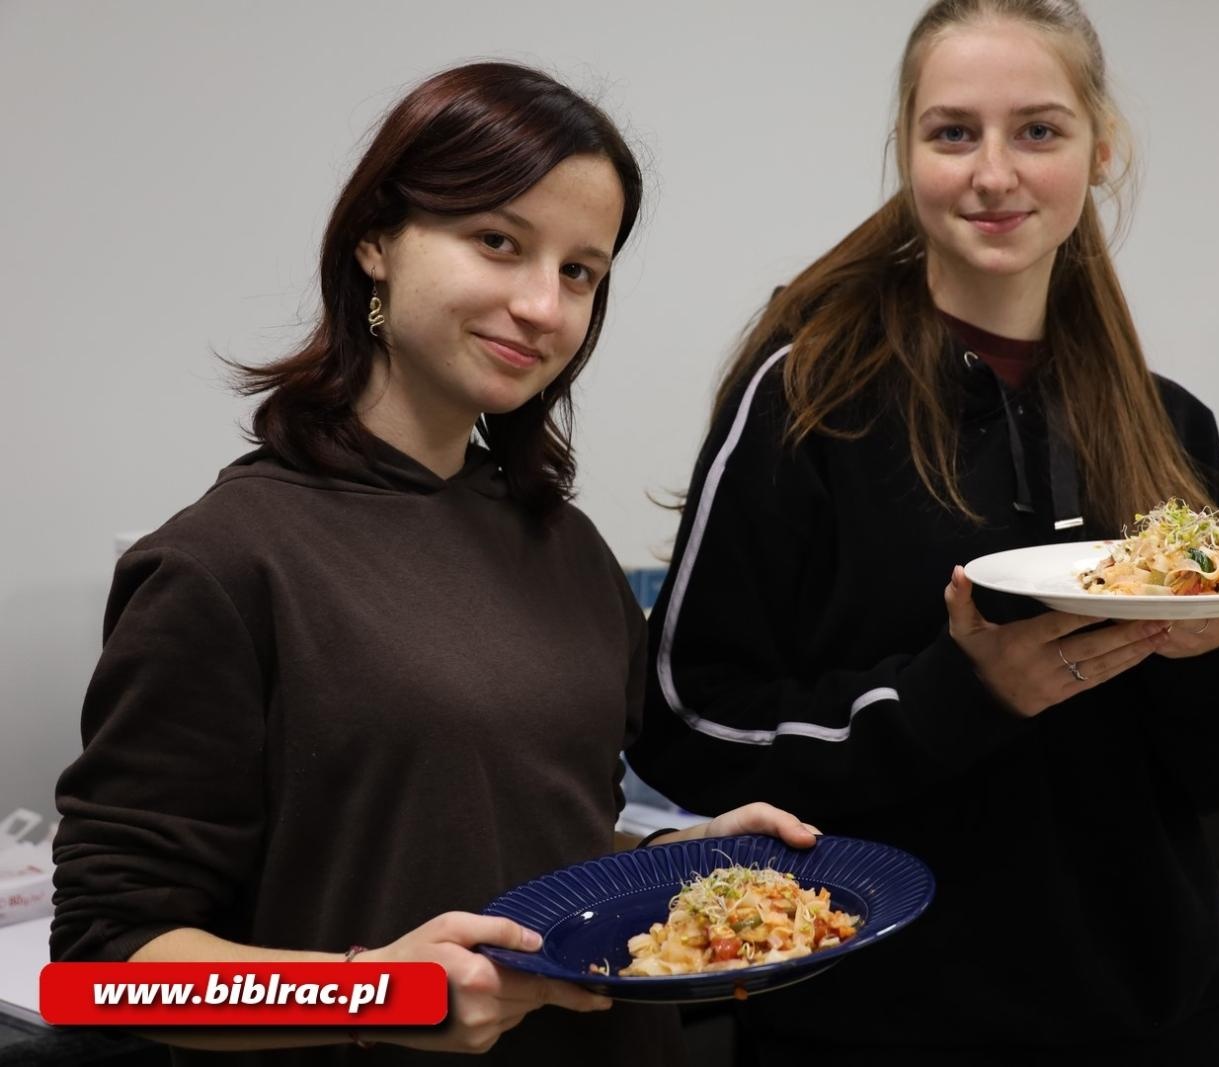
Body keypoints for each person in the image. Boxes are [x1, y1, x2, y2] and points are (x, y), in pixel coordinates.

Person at [51, 61, 818, 1066]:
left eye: (579, 271)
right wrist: (379, 993)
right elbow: (105, 967)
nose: (542, 304)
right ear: (375, 239)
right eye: (497, 242)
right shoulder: (225, 561)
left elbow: (526, 840)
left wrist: (676, 867)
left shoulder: (563, 545)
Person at [626, 3, 1219, 1064]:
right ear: (906, 151)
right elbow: (684, 722)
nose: (994, 173)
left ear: (1100, 148)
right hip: (880, 1023)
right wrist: (958, 697)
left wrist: (1217, 648)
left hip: (1158, 1016)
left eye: (1037, 130)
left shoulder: (1167, 422)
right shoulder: (805, 398)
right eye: (953, 133)